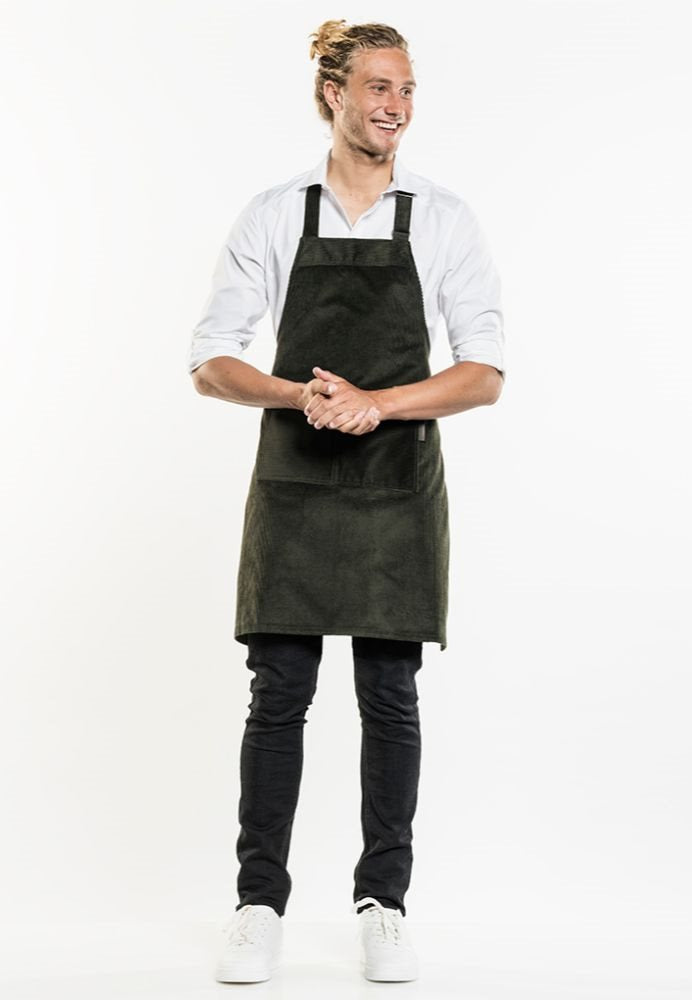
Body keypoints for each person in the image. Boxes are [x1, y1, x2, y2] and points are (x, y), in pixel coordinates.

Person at [189, 19, 505, 984]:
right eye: (377, 87)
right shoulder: (274, 213)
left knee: (389, 697)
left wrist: (379, 404)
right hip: (294, 477)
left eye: (406, 89)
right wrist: (301, 396)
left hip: (397, 483)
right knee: (278, 695)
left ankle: (384, 905)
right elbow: (210, 359)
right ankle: (257, 904)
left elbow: (485, 372)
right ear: (333, 93)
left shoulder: (443, 217)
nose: (395, 107)